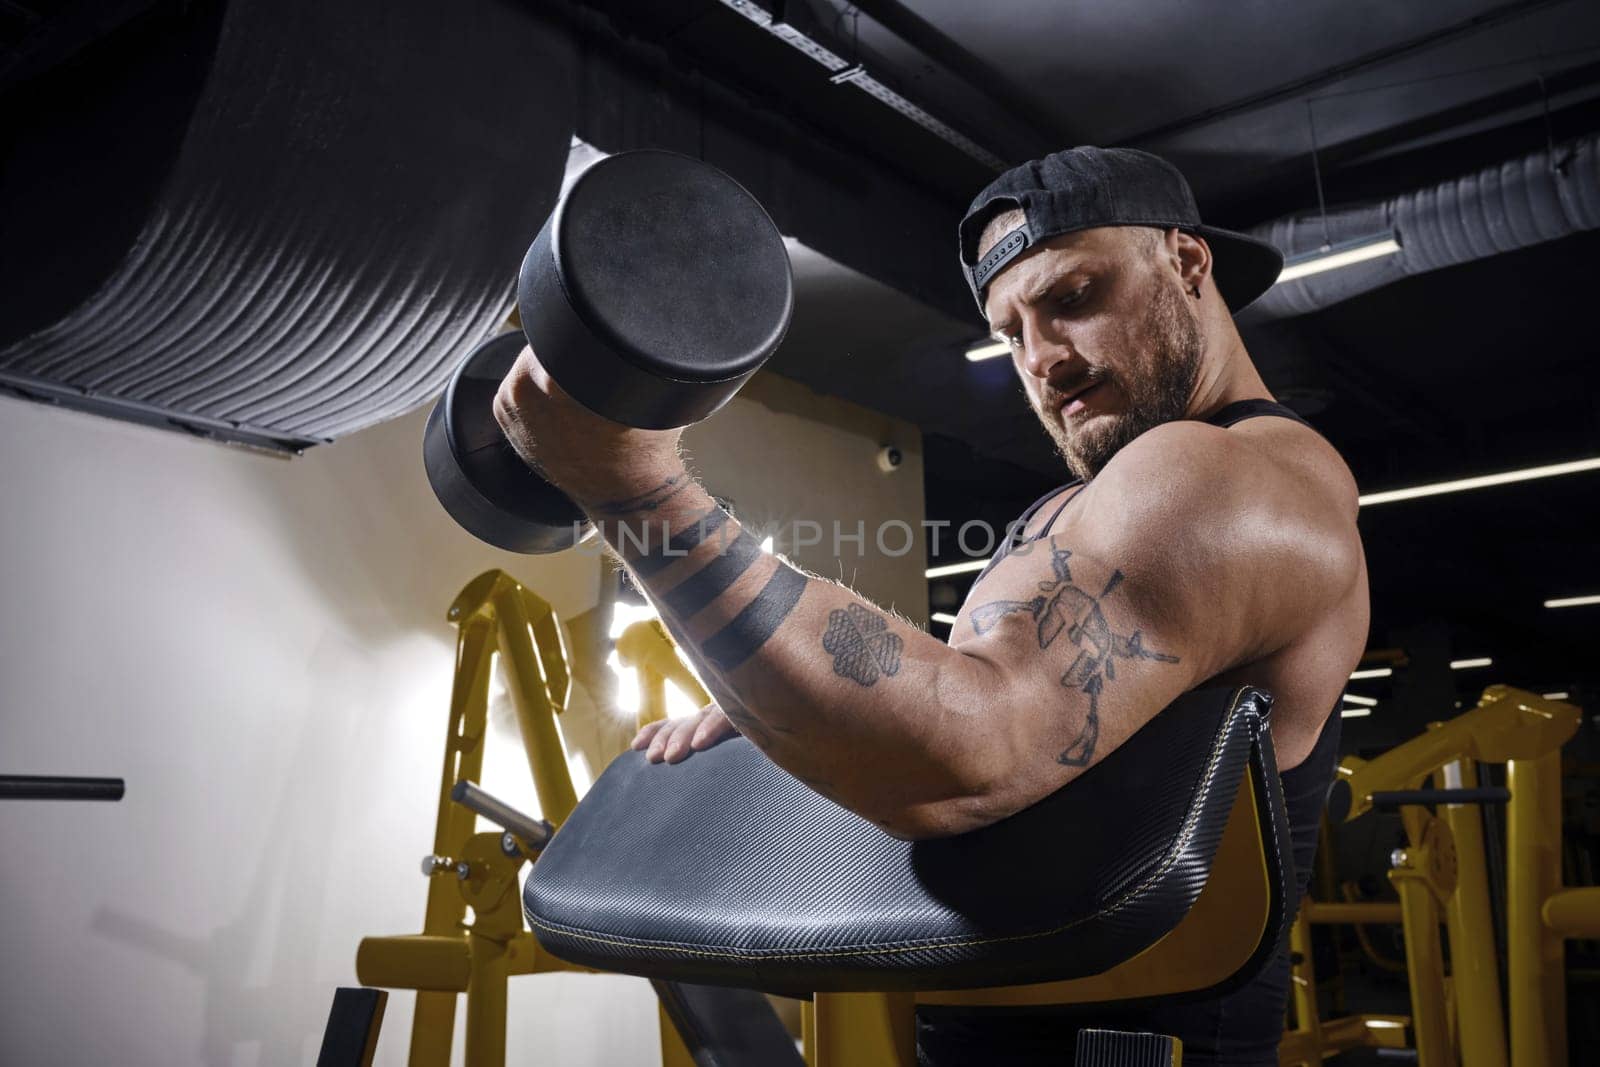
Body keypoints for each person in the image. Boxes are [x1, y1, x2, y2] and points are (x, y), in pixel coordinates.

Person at [493, 145, 1368, 1065]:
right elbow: (970, 710)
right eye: (1012, 330)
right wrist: (784, 700)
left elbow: (967, 751)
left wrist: (636, 492)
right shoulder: (1075, 508)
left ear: (1187, 263)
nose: (1044, 359)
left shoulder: (1229, 479)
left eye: (1073, 297)